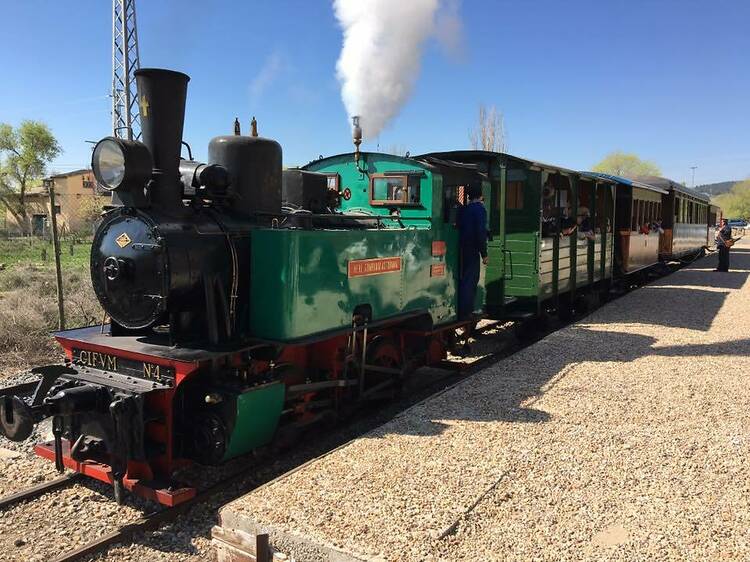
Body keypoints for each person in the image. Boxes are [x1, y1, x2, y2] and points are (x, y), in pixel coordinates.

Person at [458, 184, 488, 321]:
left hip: (460, 246)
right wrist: (484, 254)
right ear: (481, 196)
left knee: (462, 278)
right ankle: (466, 311)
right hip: (472, 248)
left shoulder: (464, 209)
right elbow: (480, 233)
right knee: (471, 280)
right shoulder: (480, 210)